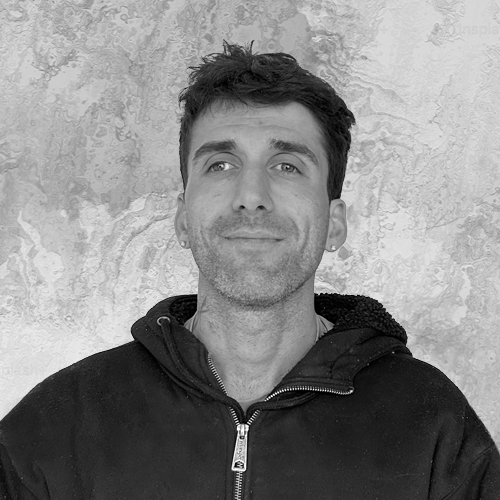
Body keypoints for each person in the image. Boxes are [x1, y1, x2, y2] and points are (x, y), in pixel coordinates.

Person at [0, 41, 499, 500]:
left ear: (334, 224)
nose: (252, 197)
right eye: (220, 164)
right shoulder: (57, 426)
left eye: (287, 165)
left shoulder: (432, 426)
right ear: (182, 218)